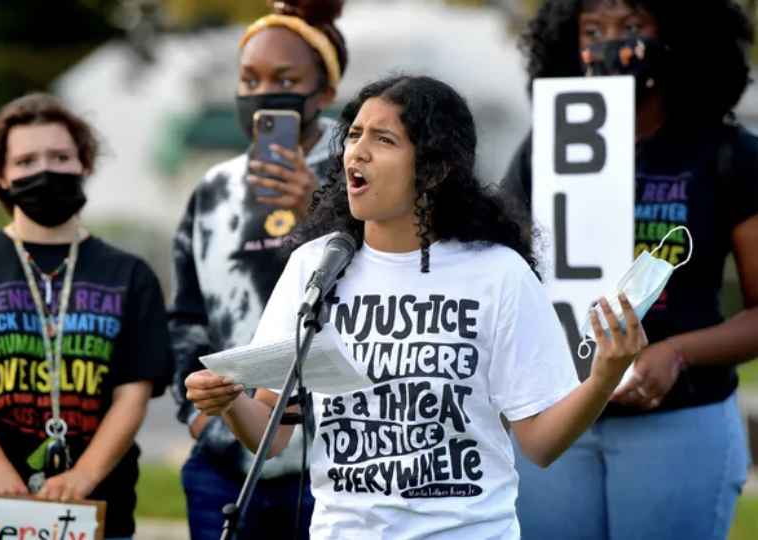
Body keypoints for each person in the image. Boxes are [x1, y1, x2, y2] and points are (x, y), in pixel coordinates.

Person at [184, 74, 648, 538]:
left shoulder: (497, 273)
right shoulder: (315, 267)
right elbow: (272, 431)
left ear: (433, 169)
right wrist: (228, 402)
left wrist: (605, 375)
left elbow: (541, 444)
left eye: (383, 139)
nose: (357, 151)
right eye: (354, 135)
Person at [501, 1, 758, 539]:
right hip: (559, 420)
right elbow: (501, 275)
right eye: (592, 30)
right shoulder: (542, 152)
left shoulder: (728, 155)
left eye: (633, 27)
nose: (609, 45)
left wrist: (676, 352)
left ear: (682, 38)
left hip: (678, 422)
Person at [0, 93, 174, 540]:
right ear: (0, 175)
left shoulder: (130, 274)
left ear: (83, 164)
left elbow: (133, 395)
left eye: (60, 156)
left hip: (96, 506)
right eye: (26, 160)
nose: (45, 169)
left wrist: (83, 476)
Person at [168, 1, 349, 538]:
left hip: (333, 463)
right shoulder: (214, 188)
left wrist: (313, 208)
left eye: (284, 78)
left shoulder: (358, 170)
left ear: (323, 92)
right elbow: (185, 314)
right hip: (225, 467)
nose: (261, 91)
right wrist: (200, 416)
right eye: (249, 79)